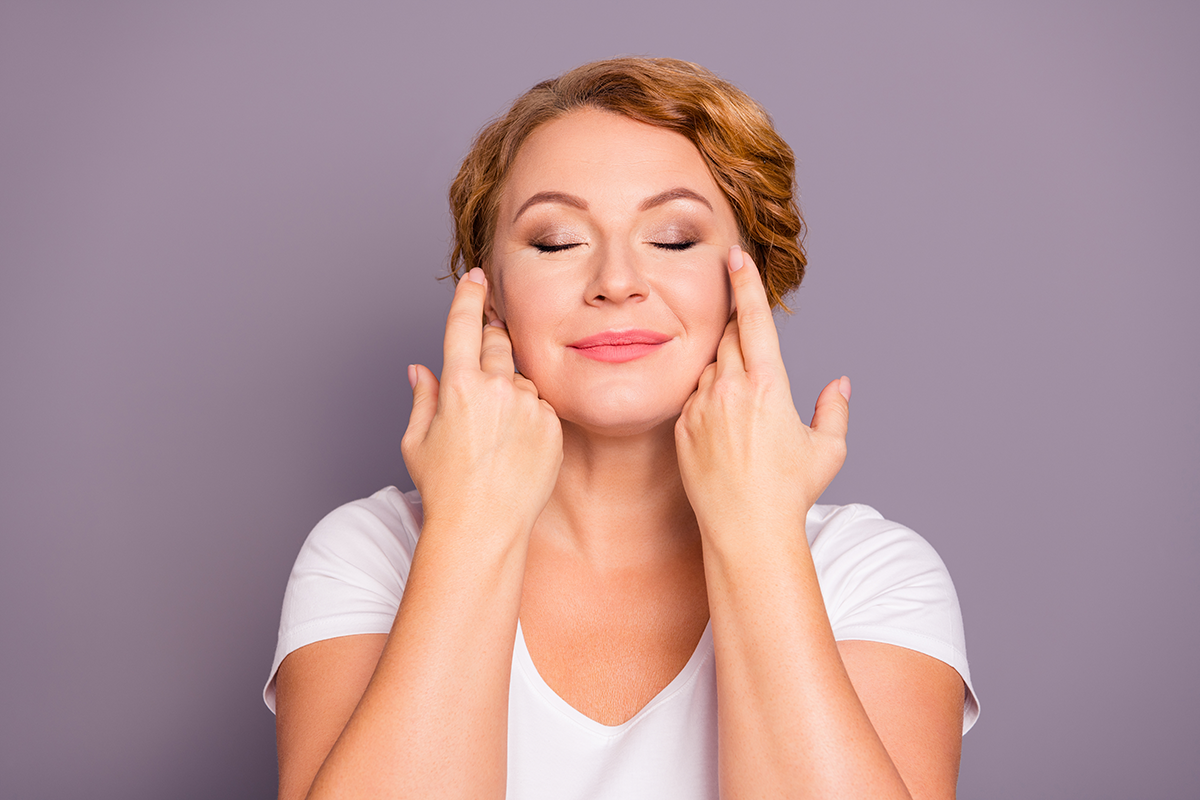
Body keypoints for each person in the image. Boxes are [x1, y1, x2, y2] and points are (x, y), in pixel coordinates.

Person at [264, 57, 979, 800]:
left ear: (750, 288)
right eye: (555, 241)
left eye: (672, 239)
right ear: (494, 294)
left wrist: (759, 533)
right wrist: (472, 522)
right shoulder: (371, 555)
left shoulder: (868, 575)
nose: (615, 280)